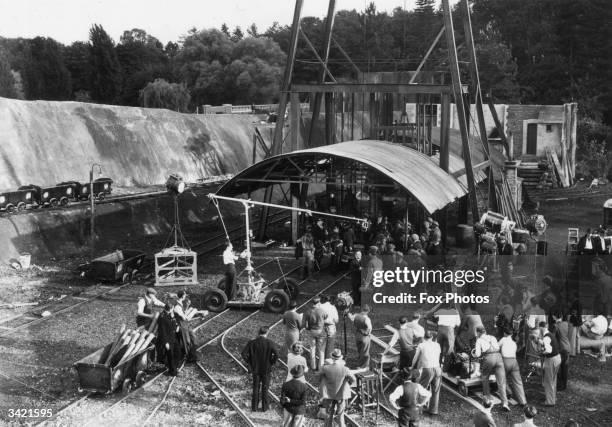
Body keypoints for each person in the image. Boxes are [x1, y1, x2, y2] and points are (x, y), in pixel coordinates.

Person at [241, 326, 279, 412]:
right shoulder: (270, 343)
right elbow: (277, 355)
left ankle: (254, 407)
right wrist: (271, 362)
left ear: (259, 332)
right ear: (267, 333)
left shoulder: (252, 342)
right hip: (266, 369)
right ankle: (264, 408)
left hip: (255, 369)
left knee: (255, 387)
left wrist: (250, 362)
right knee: (265, 388)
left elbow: (243, 354)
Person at [472, 326, 510, 412]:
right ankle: (505, 403)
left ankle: (488, 398)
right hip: (498, 357)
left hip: (489, 358)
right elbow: (497, 347)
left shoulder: (479, 340)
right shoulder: (492, 337)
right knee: (501, 381)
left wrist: (474, 354)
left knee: (485, 377)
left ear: (478, 333)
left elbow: (478, 355)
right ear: (485, 331)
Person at [318, 349, 356, 427]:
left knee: (328, 414)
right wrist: (348, 383)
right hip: (341, 395)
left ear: (332, 358)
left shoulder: (325, 368)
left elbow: (319, 376)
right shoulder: (345, 369)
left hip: (329, 394)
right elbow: (353, 379)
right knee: (341, 414)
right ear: (340, 358)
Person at [410, 331, 441, 416]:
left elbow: (415, 358)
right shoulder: (437, 345)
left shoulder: (421, 345)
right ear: (432, 337)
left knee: (422, 389)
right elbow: (438, 355)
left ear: (424, 337)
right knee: (435, 390)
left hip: (428, 369)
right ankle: (433, 410)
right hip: (437, 368)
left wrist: (412, 366)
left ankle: (419, 410)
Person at [499, 327, 527, 406]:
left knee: (502, 378)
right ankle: (523, 401)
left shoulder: (503, 339)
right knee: (518, 382)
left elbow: (496, 347)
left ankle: (508, 392)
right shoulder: (514, 343)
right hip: (514, 362)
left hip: (505, 361)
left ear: (505, 333)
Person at [538, 321, 561, 406]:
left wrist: (542, 352)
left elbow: (548, 350)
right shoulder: (550, 334)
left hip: (551, 359)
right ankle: (553, 397)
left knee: (548, 381)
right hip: (557, 358)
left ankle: (550, 402)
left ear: (541, 327)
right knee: (553, 379)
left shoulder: (546, 337)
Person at [173, 290, 199, 362]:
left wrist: (187, 306)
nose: (185, 296)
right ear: (182, 296)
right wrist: (193, 312)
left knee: (193, 337)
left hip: (185, 323)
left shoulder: (180, 303)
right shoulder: (177, 306)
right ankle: (188, 357)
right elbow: (184, 317)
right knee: (186, 341)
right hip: (181, 324)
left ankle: (193, 352)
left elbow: (184, 313)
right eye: (185, 295)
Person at [304, 297, 328, 371]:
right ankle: (320, 367)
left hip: (312, 331)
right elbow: (326, 318)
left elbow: (305, 324)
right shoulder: (322, 311)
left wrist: (308, 328)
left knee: (312, 348)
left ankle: (313, 366)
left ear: (312, 303)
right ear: (319, 302)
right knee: (321, 350)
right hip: (320, 331)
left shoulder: (308, 311)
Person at [157, 303, 180, 376]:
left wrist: (176, 324)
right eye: (172, 308)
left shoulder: (171, 314)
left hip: (173, 337)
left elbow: (176, 321)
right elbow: (162, 331)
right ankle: (172, 372)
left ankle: (174, 367)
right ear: (171, 308)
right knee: (171, 355)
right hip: (167, 339)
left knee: (178, 352)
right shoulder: (162, 317)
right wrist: (166, 342)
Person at [348, 304, 372, 369]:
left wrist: (348, 312)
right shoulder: (367, 319)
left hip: (357, 335)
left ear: (361, 310)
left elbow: (351, 317)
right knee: (365, 352)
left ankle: (359, 362)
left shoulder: (356, 315)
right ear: (368, 311)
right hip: (364, 336)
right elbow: (369, 329)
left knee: (360, 350)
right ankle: (364, 366)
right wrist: (367, 334)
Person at [551, 310, 570, 391]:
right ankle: (564, 385)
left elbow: (553, 338)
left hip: (561, 348)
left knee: (559, 367)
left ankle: (560, 385)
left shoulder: (556, 326)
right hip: (567, 346)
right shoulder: (566, 323)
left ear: (554, 317)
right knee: (565, 367)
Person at [321, 295, 339, 360]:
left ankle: (321, 360)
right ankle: (328, 360)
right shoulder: (333, 307)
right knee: (330, 344)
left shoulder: (320, 306)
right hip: (330, 327)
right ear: (330, 301)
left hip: (321, 326)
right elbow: (336, 320)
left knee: (321, 344)